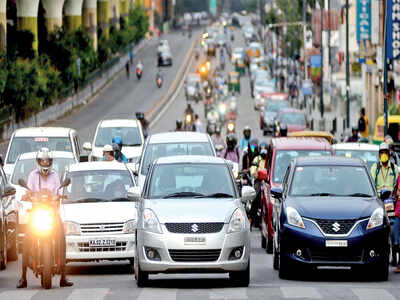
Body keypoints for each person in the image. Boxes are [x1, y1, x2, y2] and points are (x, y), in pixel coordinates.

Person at [17, 148, 73, 288]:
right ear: (38, 162)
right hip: (37, 212)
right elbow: (28, 190)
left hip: (52, 213)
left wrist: (60, 195)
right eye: (42, 160)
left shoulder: (54, 176)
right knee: (26, 240)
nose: (45, 163)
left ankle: (63, 277)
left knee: (62, 238)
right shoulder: (32, 175)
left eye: (47, 160)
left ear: (51, 162)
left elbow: (59, 190)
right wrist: (27, 195)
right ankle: (23, 278)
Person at [249, 145, 268, 228]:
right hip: (259, 181)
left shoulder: (269, 159)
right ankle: (251, 219)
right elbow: (253, 170)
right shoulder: (257, 159)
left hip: (267, 181)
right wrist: (256, 174)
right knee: (255, 197)